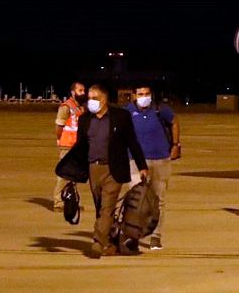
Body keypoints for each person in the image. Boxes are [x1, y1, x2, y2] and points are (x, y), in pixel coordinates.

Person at [56, 84, 148, 259]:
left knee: (107, 207)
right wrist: (72, 173)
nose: (90, 101)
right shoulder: (85, 120)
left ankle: (98, 243)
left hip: (114, 169)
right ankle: (111, 242)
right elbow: (80, 148)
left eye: (94, 98)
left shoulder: (121, 117)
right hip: (93, 168)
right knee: (101, 208)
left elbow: (132, 142)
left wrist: (142, 166)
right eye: (89, 98)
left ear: (104, 100)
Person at [122, 83, 180, 250]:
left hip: (160, 159)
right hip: (135, 160)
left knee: (159, 200)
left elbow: (174, 121)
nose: (144, 96)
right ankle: (133, 236)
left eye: (147, 93)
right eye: (140, 93)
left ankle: (156, 236)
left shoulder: (160, 109)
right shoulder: (127, 111)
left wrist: (176, 144)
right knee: (136, 201)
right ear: (134, 95)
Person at [53, 82, 86, 211]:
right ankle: (58, 201)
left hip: (77, 146)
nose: (83, 93)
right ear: (73, 92)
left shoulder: (81, 107)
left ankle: (71, 200)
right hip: (67, 145)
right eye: (80, 90)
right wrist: (59, 139)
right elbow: (59, 126)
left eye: (84, 90)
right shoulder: (66, 107)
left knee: (75, 175)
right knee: (63, 174)